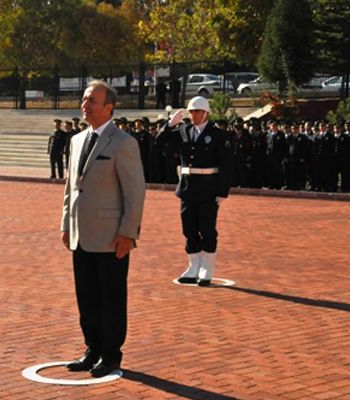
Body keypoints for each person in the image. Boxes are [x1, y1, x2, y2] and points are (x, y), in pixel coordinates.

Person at [61, 80, 146, 378]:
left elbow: (134, 192)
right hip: (80, 235)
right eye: (84, 99)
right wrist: (65, 224)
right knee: (86, 296)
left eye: (92, 101)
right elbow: (71, 189)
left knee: (111, 297)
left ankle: (111, 354)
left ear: (109, 107)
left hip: (112, 237)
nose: (85, 105)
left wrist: (128, 233)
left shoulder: (124, 143)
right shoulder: (75, 141)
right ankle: (92, 348)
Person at [156, 96, 233, 286]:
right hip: (187, 188)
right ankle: (193, 267)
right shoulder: (183, 130)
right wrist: (169, 125)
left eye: (197, 111)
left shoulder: (218, 135)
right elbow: (159, 141)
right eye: (191, 111)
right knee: (189, 229)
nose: (193, 115)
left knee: (206, 228)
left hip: (208, 188)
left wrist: (222, 192)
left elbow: (227, 165)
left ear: (206, 113)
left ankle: (206, 268)